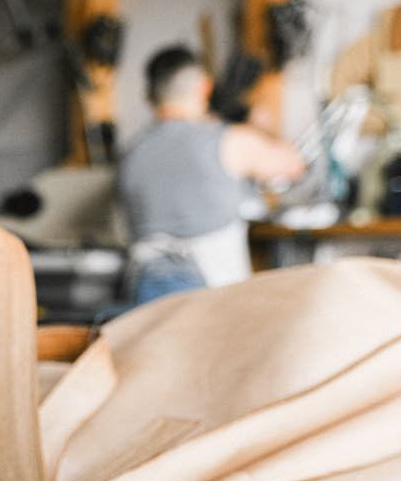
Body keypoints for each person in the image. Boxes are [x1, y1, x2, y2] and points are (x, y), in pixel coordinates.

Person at [117, 45, 305, 302]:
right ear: (204, 87)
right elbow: (294, 165)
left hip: (143, 291)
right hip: (213, 296)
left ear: (149, 96)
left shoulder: (130, 153)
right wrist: (259, 125)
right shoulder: (227, 140)